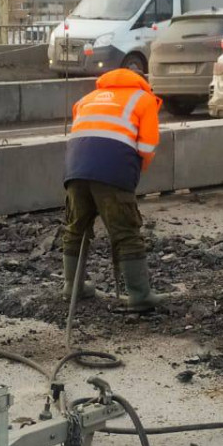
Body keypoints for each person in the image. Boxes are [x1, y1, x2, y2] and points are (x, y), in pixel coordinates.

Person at [62, 67, 163, 311]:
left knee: (76, 227)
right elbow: (147, 147)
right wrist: (132, 173)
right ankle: (140, 296)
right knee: (126, 230)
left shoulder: (86, 99)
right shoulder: (144, 99)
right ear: (142, 82)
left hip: (75, 169)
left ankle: (71, 287)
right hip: (113, 170)